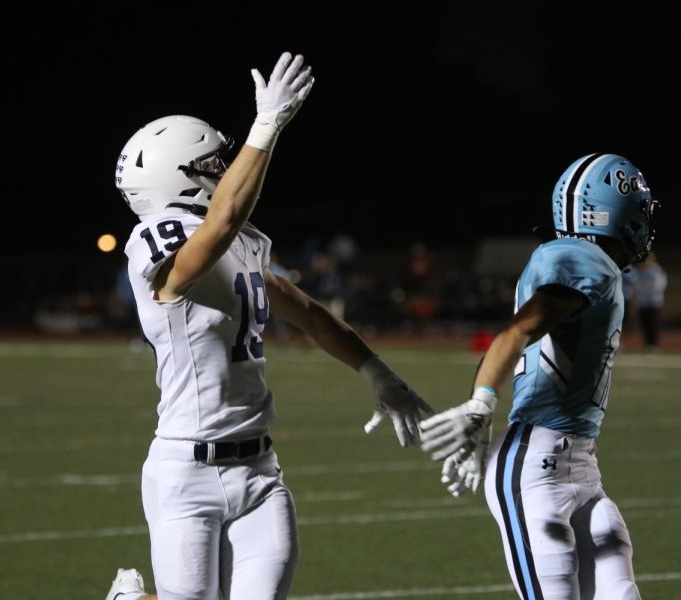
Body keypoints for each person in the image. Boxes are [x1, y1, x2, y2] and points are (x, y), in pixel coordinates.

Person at [105, 51, 432, 600]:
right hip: (186, 472)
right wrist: (267, 125)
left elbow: (306, 311)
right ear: (180, 179)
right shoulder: (155, 240)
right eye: (214, 166)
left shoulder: (242, 242)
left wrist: (377, 372)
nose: (227, 174)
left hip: (260, 471)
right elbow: (221, 221)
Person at [419, 153, 660, 599]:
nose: (645, 219)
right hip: (534, 467)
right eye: (639, 208)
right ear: (613, 210)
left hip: (580, 465)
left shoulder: (586, 261)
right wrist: (482, 402)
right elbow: (520, 328)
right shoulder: (583, 258)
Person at [624, 251, 667, 350]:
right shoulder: (639, 272)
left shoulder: (657, 271)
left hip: (654, 302)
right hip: (642, 303)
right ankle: (647, 344)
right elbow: (634, 286)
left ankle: (653, 344)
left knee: (653, 323)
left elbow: (658, 285)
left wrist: (642, 288)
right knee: (644, 324)